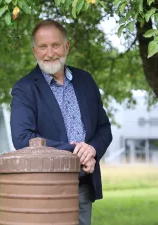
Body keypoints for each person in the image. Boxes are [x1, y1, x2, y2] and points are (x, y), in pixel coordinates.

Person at [10, 19, 112, 225]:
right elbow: (23, 139)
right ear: (34, 51)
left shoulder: (86, 81)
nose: (50, 53)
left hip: (84, 185)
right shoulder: (25, 89)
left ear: (67, 47)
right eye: (43, 47)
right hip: (45, 189)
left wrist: (91, 150)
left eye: (55, 45)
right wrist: (77, 154)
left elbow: (104, 128)